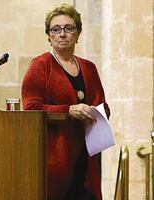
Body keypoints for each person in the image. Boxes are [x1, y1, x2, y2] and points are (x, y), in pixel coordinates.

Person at [21, 4, 110, 200]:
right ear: (49, 36)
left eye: (69, 28)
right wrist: (68, 110)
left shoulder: (89, 67)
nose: (62, 34)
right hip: (55, 158)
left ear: (77, 34)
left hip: (88, 158)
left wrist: (97, 112)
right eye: (56, 29)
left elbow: (103, 105)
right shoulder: (40, 65)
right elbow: (31, 107)